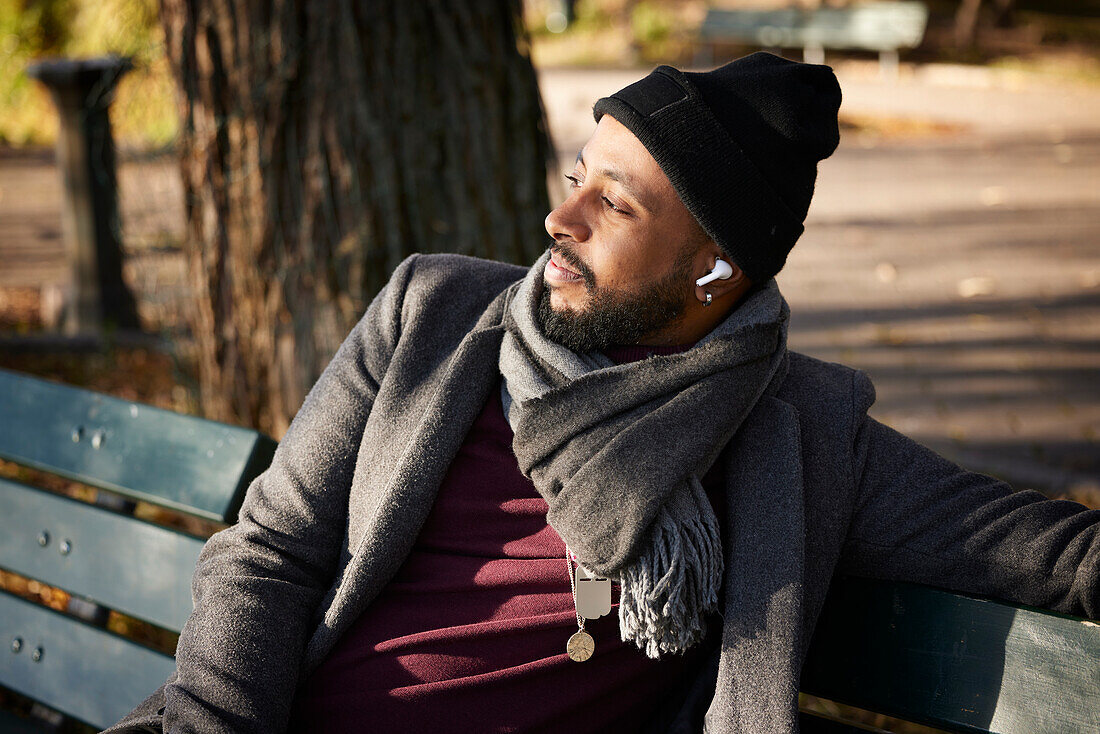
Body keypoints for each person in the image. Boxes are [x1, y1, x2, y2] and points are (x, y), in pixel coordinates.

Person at [106, 53, 1099, 734]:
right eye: (578, 174)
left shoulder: (795, 434)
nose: (557, 216)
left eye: (612, 203)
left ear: (716, 274)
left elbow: (1040, 547)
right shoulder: (433, 317)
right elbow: (268, 552)